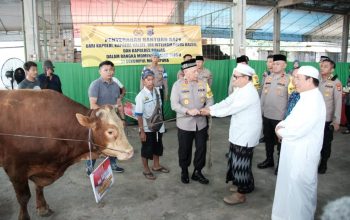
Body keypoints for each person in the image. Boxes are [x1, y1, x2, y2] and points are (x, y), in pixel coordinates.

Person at [200, 63, 262, 205]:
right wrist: (211, 108)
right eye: (234, 76)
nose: (233, 79)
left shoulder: (249, 93)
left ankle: (241, 194)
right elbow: (228, 101)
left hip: (246, 133)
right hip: (240, 131)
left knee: (242, 163)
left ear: (246, 78)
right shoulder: (241, 89)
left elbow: (231, 108)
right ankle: (247, 185)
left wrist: (211, 112)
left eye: (236, 76)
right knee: (238, 160)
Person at [272, 66, 326, 220]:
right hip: (293, 151)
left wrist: (280, 131)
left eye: (298, 78)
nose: (294, 81)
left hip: (303, 155)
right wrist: (281, 127)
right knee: (289, 188)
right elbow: (289, 120)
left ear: (310, 80)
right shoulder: (305, 97)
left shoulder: (314, 101)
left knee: (300, 191)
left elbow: (298, 129)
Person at [170, 58, 213, 184]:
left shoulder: (204, 83)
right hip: (185, 125)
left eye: (197, 71)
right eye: (194, 71)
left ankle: (197, 172)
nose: (197, 73)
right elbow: (174, 104)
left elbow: (210, 99)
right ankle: (184, 170)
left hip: (201, 123)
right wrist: (187, 111)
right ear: (186, 72)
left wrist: (207, 108)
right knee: (185, 149)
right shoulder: (177, 85)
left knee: (201, 149)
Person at [86, 60, 125, 175]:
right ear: (100, 71)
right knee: (95, 144)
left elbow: (119, 104)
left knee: (113, 142)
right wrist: (109, 109)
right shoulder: (95, 84)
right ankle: (89, 167)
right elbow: (93, 105)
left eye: (111, 69)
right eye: (106, 70)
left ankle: (113, 164)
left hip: (113, 120)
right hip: (99, 120)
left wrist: (122, 118)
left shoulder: (116, 86)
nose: (109, 72)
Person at [258, 54, 292, 175]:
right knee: (268, 140)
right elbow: (263, 96)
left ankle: (281, 165)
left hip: (280, 117)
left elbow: (291, 101)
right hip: (267, 115)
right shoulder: (268, 78)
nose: (275, 65)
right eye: (274, 63)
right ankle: (269, 160)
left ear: (285, 65)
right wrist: (260, 112)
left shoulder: (289, 79)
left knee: (281, 143)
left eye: (278, 63)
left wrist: (287, 119)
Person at [135, 68, 169, 180]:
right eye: (148, 79)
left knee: (158, 147)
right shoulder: (140, 96)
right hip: (147, 128)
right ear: (143, 81)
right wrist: (142, 131)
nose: (151, 82)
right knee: (146, 149)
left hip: (158, 126)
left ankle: (156, 165)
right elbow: (139, 115)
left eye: (152, 79)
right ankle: (146, 169)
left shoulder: (157, 91)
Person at [318, 58, 342, 174]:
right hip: (314, 119)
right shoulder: (316, 80)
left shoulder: (335, 83)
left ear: (332, 69)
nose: (322, 68)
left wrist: (336, 120)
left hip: (326, 120)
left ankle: (323, 163)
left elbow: (338, 103)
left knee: (325, 143)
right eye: (322, 65)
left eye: (326, 66)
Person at [140, 51, 168, 120]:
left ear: (159, 59)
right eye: (154, 57)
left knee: (160, 107)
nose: (155, 58)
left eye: (157, 57)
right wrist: (142, 92)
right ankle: (150, 126)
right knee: (149, 108)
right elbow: (142, 80)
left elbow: (165, 81)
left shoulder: (162, 68)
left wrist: (166, 92)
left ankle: (161, 127)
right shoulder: (145, 68)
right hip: (149, 90)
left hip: (159, 90)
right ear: (151, 58)